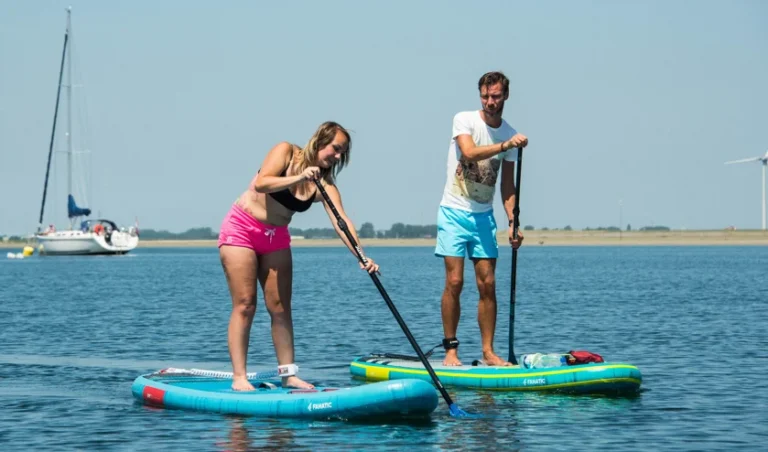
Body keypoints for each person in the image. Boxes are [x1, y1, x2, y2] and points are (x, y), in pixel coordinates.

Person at [218, 121, 380, 391]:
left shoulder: (324, 185)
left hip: (276, 237)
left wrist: (363, 257)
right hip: (242, 229)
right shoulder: (286, 152)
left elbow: (343, 223)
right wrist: (300, 177)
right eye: (336, 149)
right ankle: (239, 377)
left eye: (343, 154)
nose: (338, 157)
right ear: (319, 141)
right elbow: (262, 183)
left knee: (281, 308)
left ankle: (288, 374)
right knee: (245, 304)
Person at [435, 71, 529, 367]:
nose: (490, 102)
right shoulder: (464, 120)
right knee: (455, 280)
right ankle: (451, 349)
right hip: (453, 211)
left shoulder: (509, 132)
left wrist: (513, 223)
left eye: (496, 96)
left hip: (483, 217)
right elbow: (469, 152)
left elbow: (507, 185)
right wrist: (505, 146)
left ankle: (488, 351)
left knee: (487, 284)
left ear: (506, 96)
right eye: (486, 96)